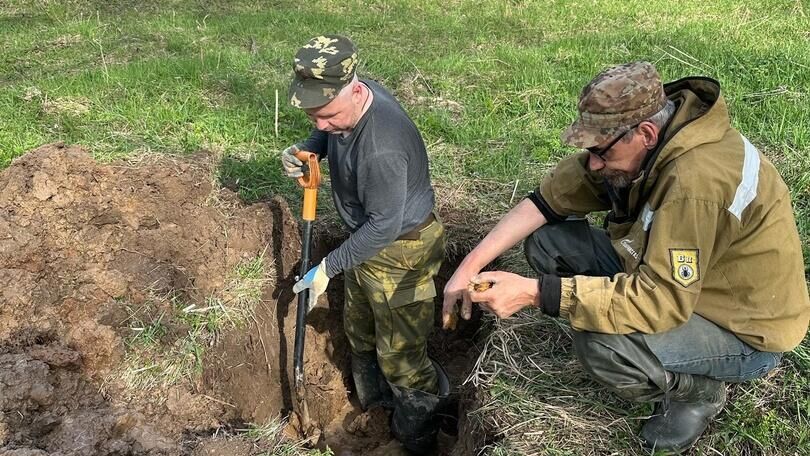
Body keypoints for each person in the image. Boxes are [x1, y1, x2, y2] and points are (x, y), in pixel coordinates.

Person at [443, 61, 810, 452]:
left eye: (601, 151)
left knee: (602, 343)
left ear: (646, 134)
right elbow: (548, 200)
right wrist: (469, 267)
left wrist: (538, 294)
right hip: (681, 277)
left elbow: (661, 301)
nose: (595, 163)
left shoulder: (694, 183)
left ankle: (698, 393)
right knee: (547, 242)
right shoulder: (657, 139)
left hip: (741, 327)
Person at [284, 35, 449, 453]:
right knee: (359, 331)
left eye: (326, 116)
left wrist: (327, 267)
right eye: (313, 116)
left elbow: (383, 227)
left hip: (402, 251)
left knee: (402, 357)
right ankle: (375, 407)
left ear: (355, 92)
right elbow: (326, 133)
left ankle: (418, 435)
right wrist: (308, 148)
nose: (320, 124)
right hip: (369, 243)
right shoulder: (354, 97)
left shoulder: (381, 147)